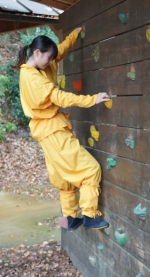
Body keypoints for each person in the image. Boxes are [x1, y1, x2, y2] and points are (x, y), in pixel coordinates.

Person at [17, 28, 111, 231]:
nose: (52, 62)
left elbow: (60, 50)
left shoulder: (41, 66)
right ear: (37, 53)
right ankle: (89, 215)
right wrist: (92, 99)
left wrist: (74, 35)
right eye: (48, 58)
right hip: (52, 130)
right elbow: (60, 97)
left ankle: (70, 218)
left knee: (63, 177)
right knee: (89, 170)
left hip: (47, 130)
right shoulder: (33, 79)